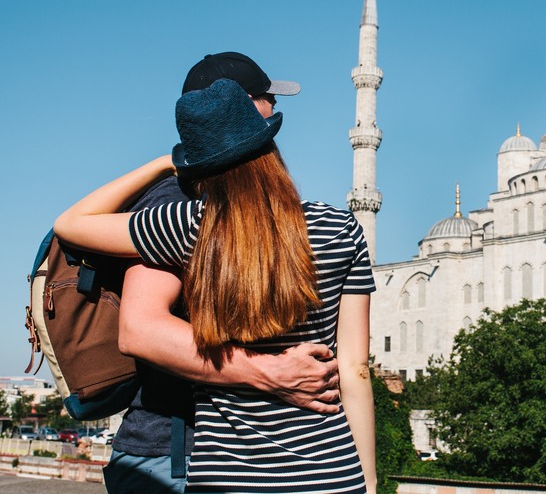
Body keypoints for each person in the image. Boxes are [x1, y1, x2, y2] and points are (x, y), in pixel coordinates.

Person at [55, 78, 376, 494]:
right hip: (329, 473)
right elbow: (355, 370)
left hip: (226, 477)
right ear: (270, 147)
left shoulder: (190, 228)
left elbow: (71, 224)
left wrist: (165, 163)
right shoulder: (339, 228)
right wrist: (368, 482)